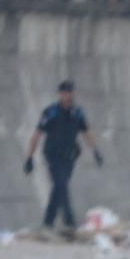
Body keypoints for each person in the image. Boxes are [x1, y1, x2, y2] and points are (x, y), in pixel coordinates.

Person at [23, 80, 104, 236]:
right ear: (60, 94)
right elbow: (36, 135)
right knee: (61, 185)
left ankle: (48, 221)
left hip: (69, 158)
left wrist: (96, 152)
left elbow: (87, 133)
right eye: (65, 92)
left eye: (70, 92)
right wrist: (29, 158)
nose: (68, 95)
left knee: (59, 188)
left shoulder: (77, 113)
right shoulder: (51, 112)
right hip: (53, 157)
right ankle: (69, 221)